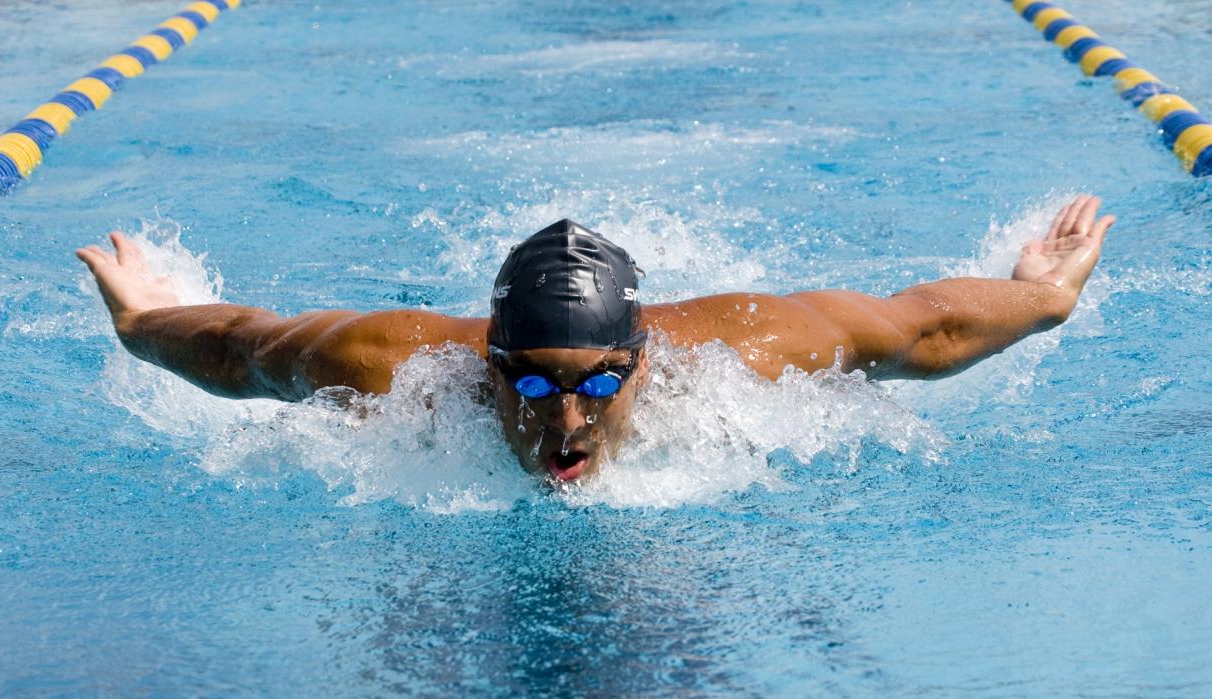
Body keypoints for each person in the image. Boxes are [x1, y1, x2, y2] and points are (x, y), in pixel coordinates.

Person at [76, 194, 1114, 483]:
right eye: (528, 388)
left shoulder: (741, 355)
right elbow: (242, 349)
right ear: (483, 360)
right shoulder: (401, 364)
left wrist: (1037, 297)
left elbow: (921, 329)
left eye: (596, 388)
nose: (564, 428)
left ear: (645, 359)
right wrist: (142, 318)